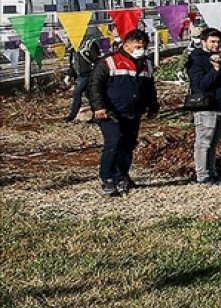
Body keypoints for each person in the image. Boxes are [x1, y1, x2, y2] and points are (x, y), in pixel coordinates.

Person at [87, 29, 159, 196]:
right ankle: (107, 177)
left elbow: (149, 88)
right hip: (111, 112)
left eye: (144, 46)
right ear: (126, 45)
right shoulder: (108, 62)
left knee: (127, 145)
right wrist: (99, 107)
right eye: (138, 46)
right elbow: (94, 86)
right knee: (114, 142)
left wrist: (152, 106)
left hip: (133, 112)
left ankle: (122, 176)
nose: (141, 49)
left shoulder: (146, 63)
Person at [187, 27, 221, 185]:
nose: (216, 44)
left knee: (213, 144)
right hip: (206, 107)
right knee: (203, 143)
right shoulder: (196, 59)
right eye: (212, 41)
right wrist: (215, 69)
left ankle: (212, 172)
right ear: (203, 41)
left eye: (218, 41)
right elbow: (201, 84)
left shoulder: (217, 58)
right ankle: (202, 175)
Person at [64, 30, 103, 122]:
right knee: (90, 96)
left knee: (77, 92)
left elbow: (97, 60)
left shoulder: (89, 45)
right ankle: (96, 116)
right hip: (80, 75)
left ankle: (72, 116)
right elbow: (73, 64)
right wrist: (69, 75)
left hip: (90, 74)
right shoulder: (73, 48)